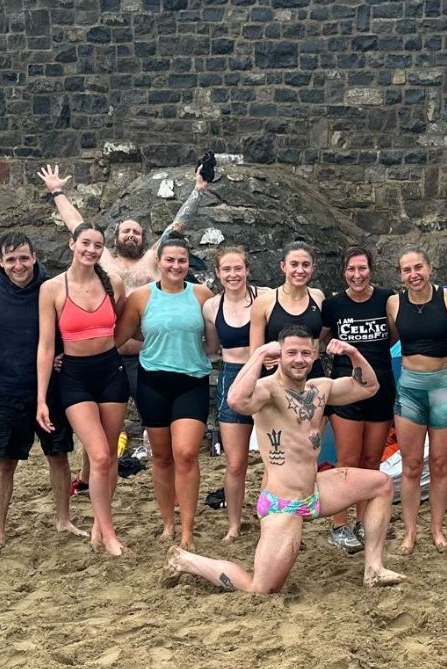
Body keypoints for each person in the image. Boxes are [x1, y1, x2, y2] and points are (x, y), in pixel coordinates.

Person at [161, 331, 403, 593]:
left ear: (314, 355)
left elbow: (369, 387)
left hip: (316, 491)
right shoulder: (268, 390)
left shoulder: (320, 388)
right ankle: (185, 560)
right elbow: (235, 400)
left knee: (381, 483)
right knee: (260, 588)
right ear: (279, 356)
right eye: (291, 353)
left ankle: (374, 569)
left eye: (306, 353)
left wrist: (353, 353)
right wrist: (259, 354)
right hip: (284, 504)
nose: (299, 360)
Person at [43, 163, 209, 462]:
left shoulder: (153, 262)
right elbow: (76, 225)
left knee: (157, 418)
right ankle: (87, 475)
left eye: (137, 232)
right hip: (108, 355)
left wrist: (198, 190)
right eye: (126, 231)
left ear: (144, 239)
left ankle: (159, 459)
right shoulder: (103, 259)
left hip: (146, 354)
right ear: (115, 236)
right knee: (98, 429)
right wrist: (57, 192)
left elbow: (176, 227)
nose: (132, 235)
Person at [0, 232, 78, 555]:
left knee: (58, 455)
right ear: (0, 263)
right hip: (8, 389)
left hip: (52, 388)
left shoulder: (52, 289)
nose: (18, 265)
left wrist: (66, 353)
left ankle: (63, 519)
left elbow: (75, 324)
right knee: (4, 462)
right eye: (11, 260)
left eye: (23, 257)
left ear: (34, 257)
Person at [114, 233, 214, 550]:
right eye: (169, 260)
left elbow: (214, 340)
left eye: (181, 260)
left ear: (188, 263)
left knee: (185, 453)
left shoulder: (201, 294)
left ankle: (187, 530)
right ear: (159, 262)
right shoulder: (141, 298)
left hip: (192, 381)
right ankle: (167, 523)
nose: (175, 265)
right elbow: (117, 338)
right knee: (162, 456)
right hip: (152, 381)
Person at [36, 224, 130, 556]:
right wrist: (41, 399)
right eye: (85, 243)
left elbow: (120, 326)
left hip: (110, 372)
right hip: (74, 376)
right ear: (72, 243)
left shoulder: (113, 284)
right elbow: (46, 347)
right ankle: (110, 535)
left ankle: (98, 526)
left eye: (98, 245)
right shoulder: (51, 288)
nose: (90, 250)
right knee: (99, 454)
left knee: (110, 457)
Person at [386, 247, 447, 553]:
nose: (413, 275)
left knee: (441, 463)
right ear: (401, 275)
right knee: (412, 464)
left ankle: (437, 530)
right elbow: (391, 339)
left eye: (418, 267)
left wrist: (444, 357)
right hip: (409, 388)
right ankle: (410, 531)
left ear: (429, 268)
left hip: (444, 386)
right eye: (406, 270)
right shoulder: (395, 303)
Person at [322, 246, 396, 554]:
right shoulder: (333, 305)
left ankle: (364, 522)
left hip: (380, 386)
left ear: (371, 270)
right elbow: (322, 340)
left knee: (371, 462)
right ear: (344, 272)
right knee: (347, 460)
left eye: (362, 268)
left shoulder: (386, 299)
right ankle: (340, 524)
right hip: (345, 389)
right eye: (351, 269)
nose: (357, 275)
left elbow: (393, 336)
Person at [201, 247, 259, 543]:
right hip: (232, 376)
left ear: (248, 270)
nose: (233, 275)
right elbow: (211, 349)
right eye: (227, 270)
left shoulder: (266, 297)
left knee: (278, 458)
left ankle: (277, 516)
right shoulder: (212, 306)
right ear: (218, 273)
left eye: (238, 268)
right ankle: (234, 525)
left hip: (265, 377)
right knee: (236, 462)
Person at [250, 241, 327, 378]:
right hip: (276, 378)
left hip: (311, 376)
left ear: (313, 268)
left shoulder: (318, 296)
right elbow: (255, 352)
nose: (300, 270)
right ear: (283, 266)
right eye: (294, 264)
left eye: (305, 265)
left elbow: (320, 337)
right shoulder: (264, 301)